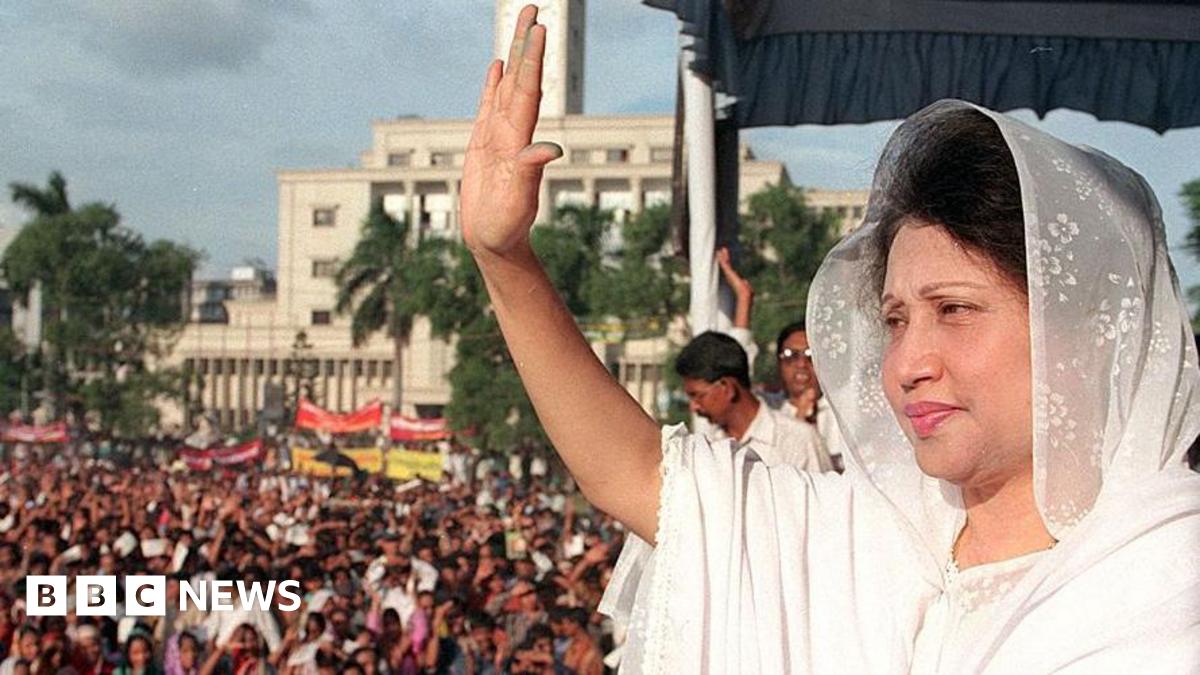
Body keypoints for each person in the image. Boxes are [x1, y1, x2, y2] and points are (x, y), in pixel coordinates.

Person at [460, 5, 1200, 672]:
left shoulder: (1162, 590)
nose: (908, 363)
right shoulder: (886, 535)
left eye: (956, 309)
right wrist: (504, 256)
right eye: (896, 319)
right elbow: (639, 475)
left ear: (1089, 333)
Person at [676, 332, 831, 470]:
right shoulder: (711, 449)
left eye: (698, 395)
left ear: (727, 388)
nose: (694, 406)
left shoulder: (798, 441)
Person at [767, 320, 849, 471]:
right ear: (779, 363)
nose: (801, 364)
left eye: (810, 355)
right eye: (790, 355)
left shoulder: (844, 410)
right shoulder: (769, 410)